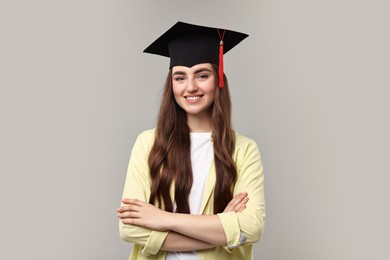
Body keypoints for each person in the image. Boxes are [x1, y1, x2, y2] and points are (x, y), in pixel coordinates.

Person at [117, 21, 265, 260]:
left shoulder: (244, 150)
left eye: (202, 75)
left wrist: (163, 219)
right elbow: (129, 228)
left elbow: (251, 227)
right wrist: (222, 229)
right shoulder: (148, 144)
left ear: (218, 80)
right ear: (171, 84)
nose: (190, 87)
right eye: (180, 78)